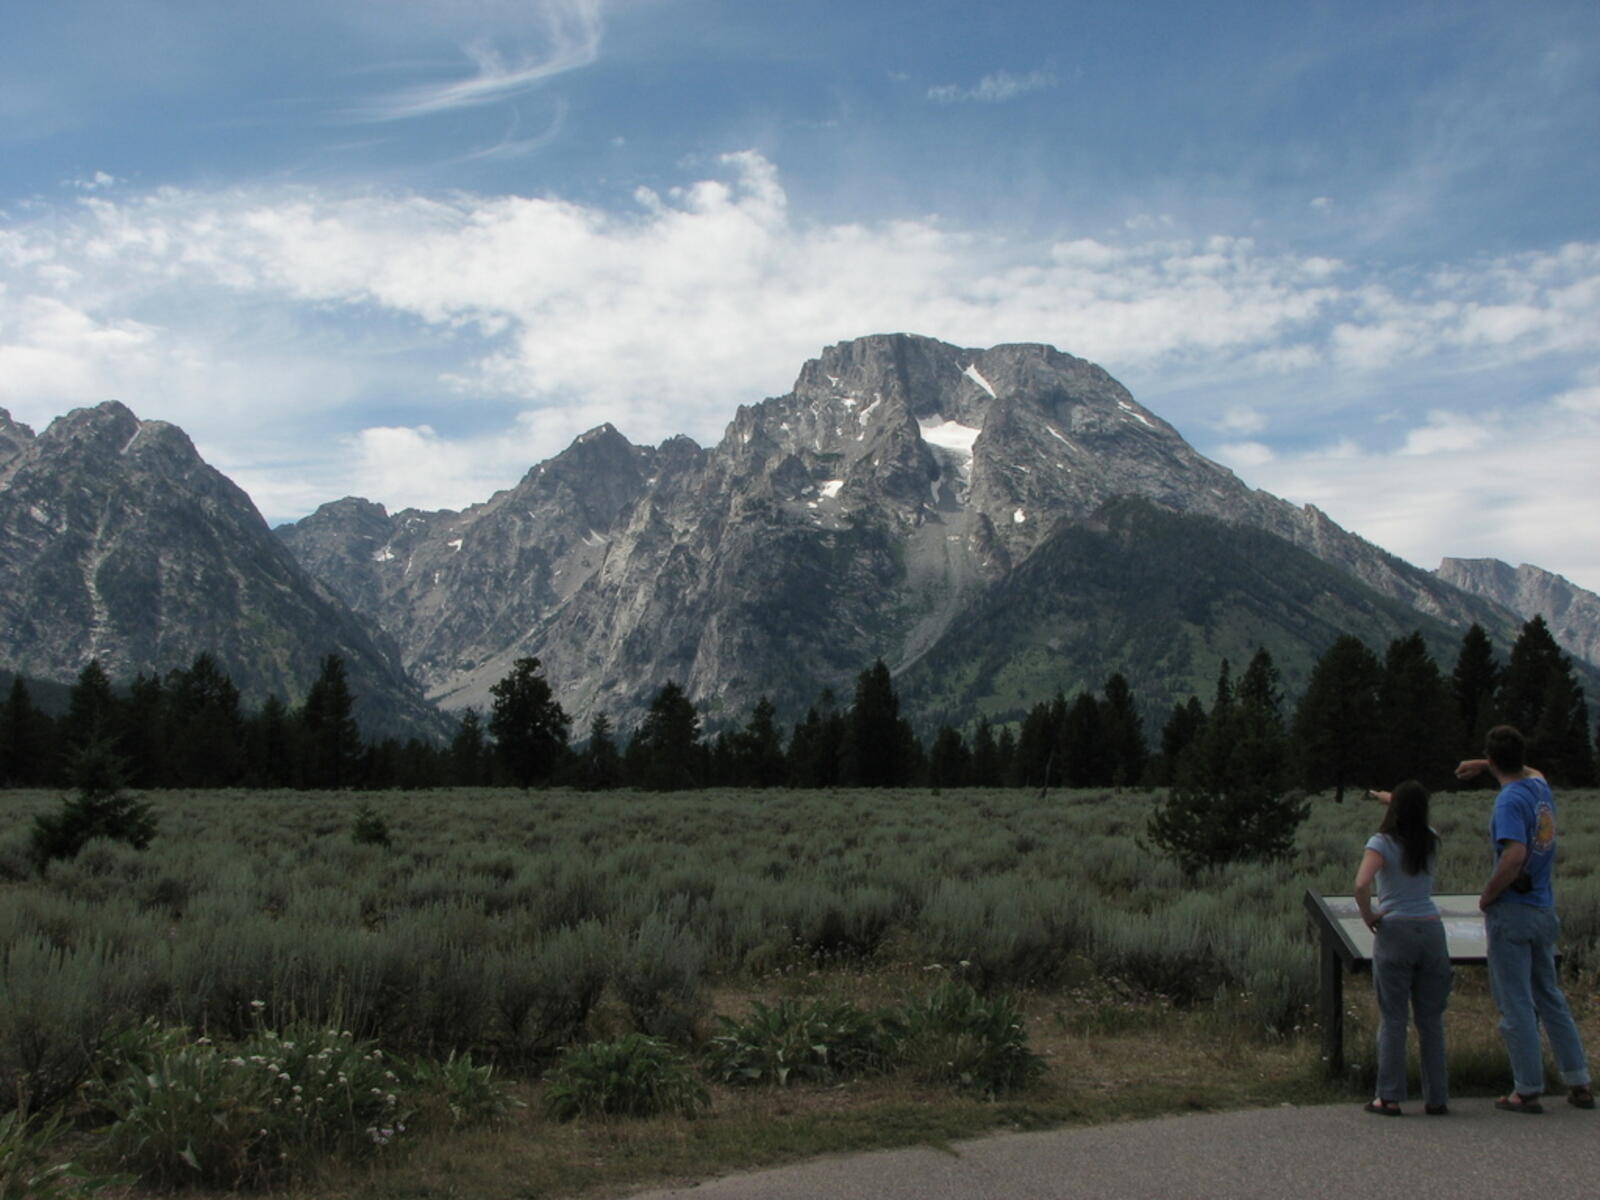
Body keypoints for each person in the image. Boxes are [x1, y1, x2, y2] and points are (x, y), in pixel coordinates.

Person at [1456, 724, 1594, 1113]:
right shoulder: (1538, 790)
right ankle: (1578, 1080)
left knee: (1515, 1000)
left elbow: (1513, 856)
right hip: (1542, 907)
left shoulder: (1509, 801)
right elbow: (1534, 771)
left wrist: (1487, 895)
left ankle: (1527, 1087)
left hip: (1512, 912)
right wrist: (1488, 763)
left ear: (1495, 758)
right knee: (1550, 997)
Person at [1354, 780, 1451, 1116]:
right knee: (1431, 1020)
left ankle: (1389, 1095)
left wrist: (1369, 916)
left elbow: (1361, 883)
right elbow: (1411, 811)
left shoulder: (1380, 843)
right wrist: (1389, 798)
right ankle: (1437, 1096)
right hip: (1431, 930)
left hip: (1395, 930)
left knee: (1394, 1018)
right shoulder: (1431, 838)